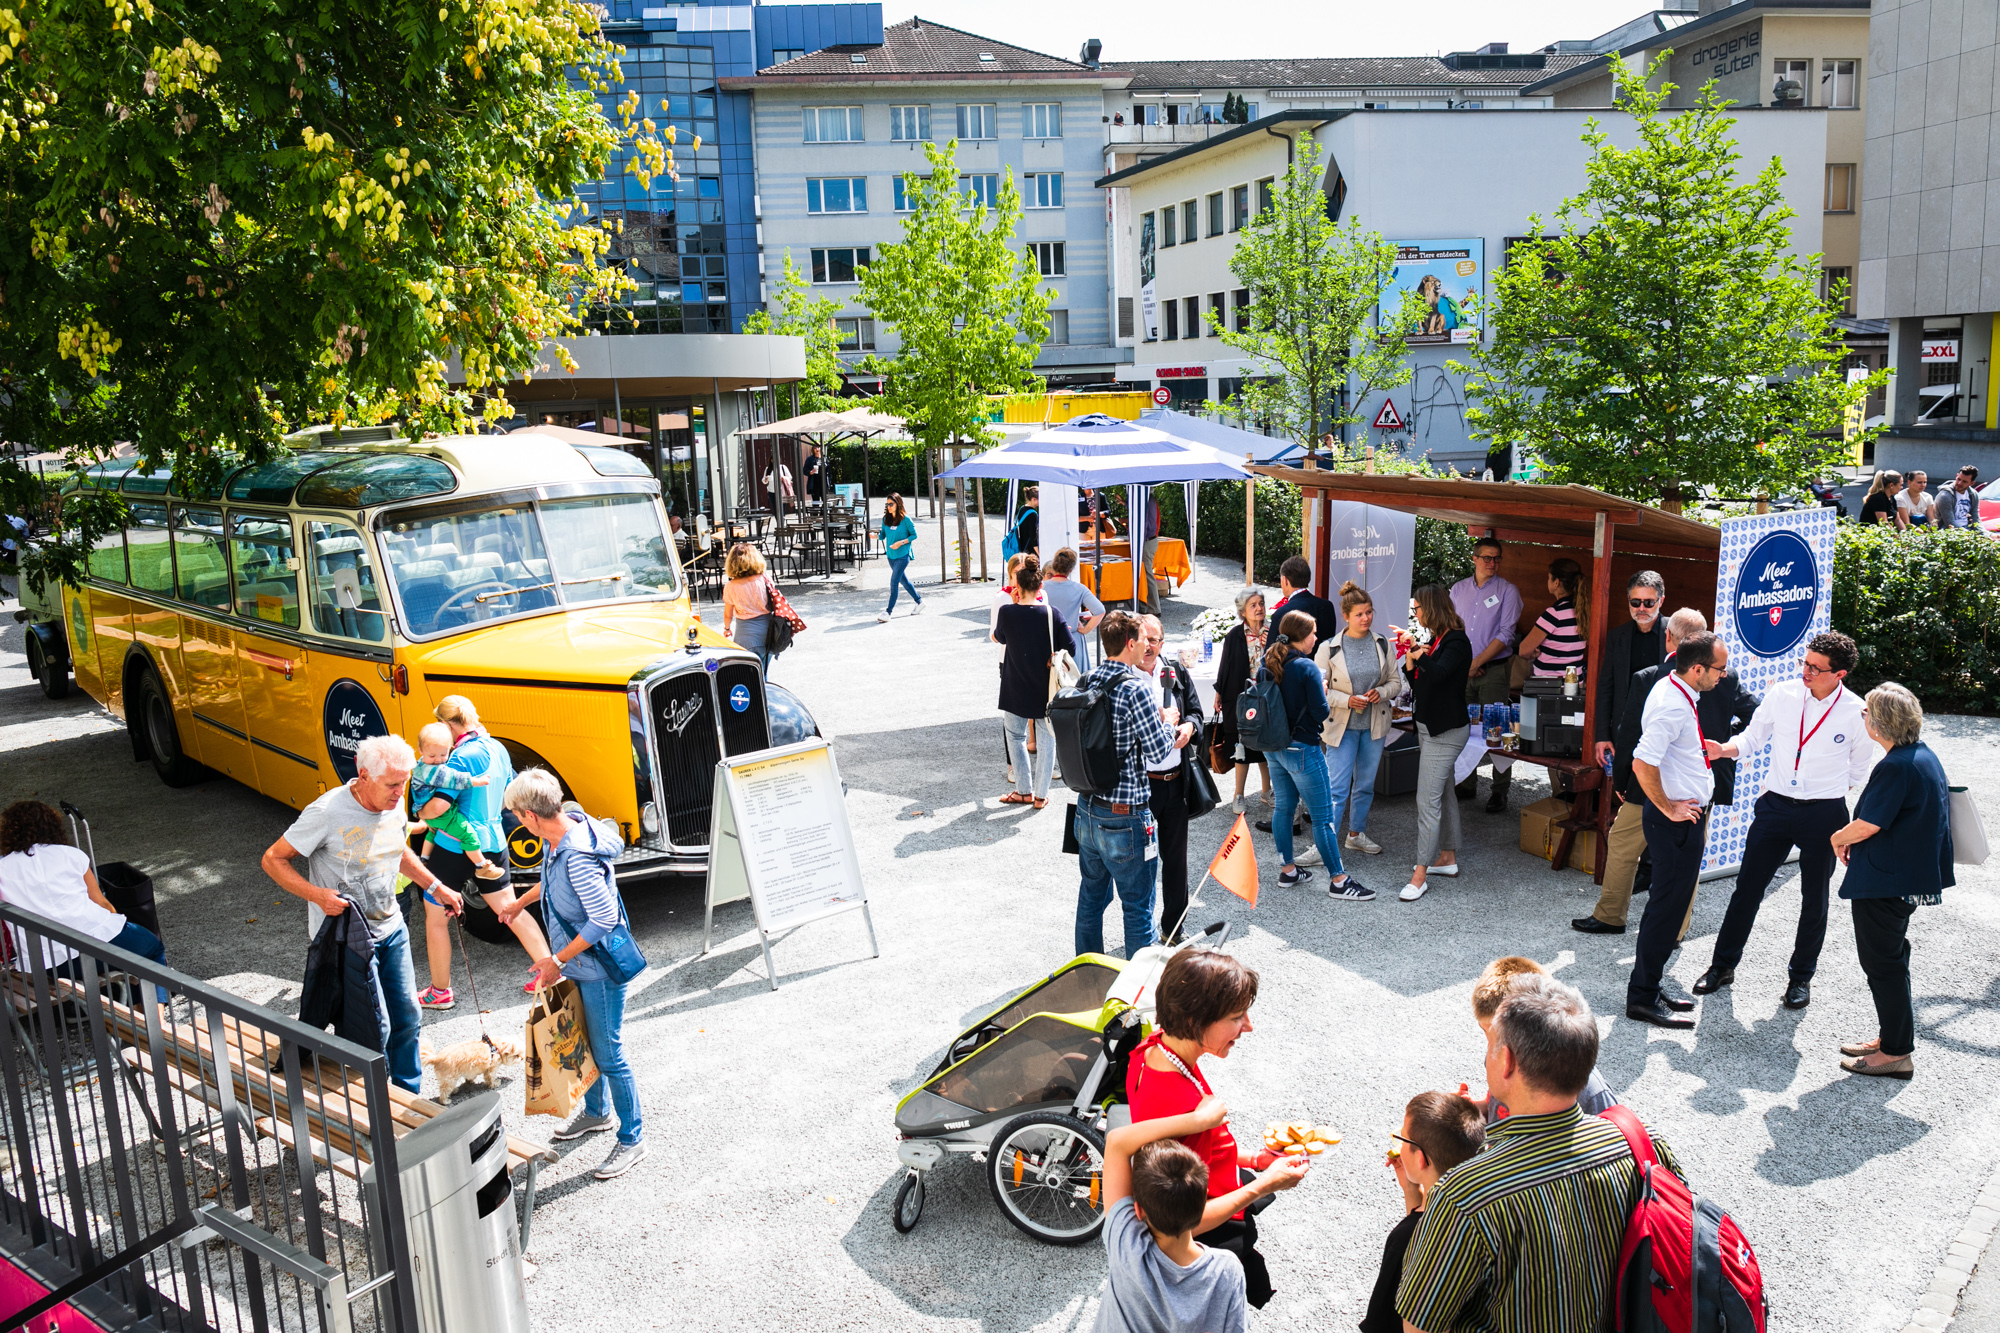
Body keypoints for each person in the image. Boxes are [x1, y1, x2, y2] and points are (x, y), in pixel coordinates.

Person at [1397, 976, 1683, 1333]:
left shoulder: (1465, 1194)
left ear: (1506, 1062)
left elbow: (1419, 1327)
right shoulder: (1644, 1144)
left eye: (1491, 1045)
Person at [261, 734, 465, 1094]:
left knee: (407, 1018)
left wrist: (435, 886)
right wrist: (317, 895)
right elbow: (272, 859)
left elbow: (397, 850)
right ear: (363, 774)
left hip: (391, 928)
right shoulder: (326, 813)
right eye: (392, 784)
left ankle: (408, 1097)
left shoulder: (393, 803)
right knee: (373, 1029)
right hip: (347, 939)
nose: (399, 792)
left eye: (404, 782)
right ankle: (376, 1109)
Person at [1694, 631, 1873, 1009]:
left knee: (1815, 900)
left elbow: (1858, 770)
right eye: (1804, 662)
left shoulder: (1856, 712)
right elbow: (1752, 738)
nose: (1805, 671)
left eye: (1815, 667)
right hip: (1775, 805)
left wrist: (1824, 790)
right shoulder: (1783, 694)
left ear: (1838, 674)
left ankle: (1800, 979)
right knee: (1747, 890)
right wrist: (1723, 749)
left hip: (1824, 814)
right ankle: (1722, 966)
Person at [1126, 950, 1311, 1309]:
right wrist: (1266, 1183)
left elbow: (1204, 1146)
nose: (1249, 1026)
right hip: (1212, 1234)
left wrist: (1257, 1159)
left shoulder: (1153, 1049)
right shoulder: (1181, 1103)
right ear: (1196, 1020)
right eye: (1236, 1016)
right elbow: (1180, 1227)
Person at [497, 768, 647, 1177]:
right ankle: (596, 1112)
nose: (515, 821)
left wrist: (556, 960)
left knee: (608, 1053)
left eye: (515, 815)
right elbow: (552, 881)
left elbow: (603, 917)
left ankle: (632, 1138)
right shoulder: (564, 829)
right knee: (586, 1041)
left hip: (596, 969)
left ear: (530, 815)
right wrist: (518, 904)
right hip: (580, 964)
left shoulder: (577, 854)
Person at [1575, 608, 1729, 936]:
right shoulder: (1724, 678)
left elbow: (1630, 734)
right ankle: (1673, 932)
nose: (1722, 674)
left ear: (1669, 638)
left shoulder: (1650, 678)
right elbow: (1752, 713)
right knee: (1684, 868)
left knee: (1624, 847)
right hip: (1689, 792)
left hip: (1655, 789)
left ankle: (1611, 915)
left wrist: (1622, 780)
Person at [1829, 682, 1952, 1079]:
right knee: (1893, 959)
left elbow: (1868, 824)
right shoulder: (1921, 756)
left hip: (1886, 881)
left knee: (1883, 964)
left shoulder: (1897, 765)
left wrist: (1838, 836)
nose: (1862, 716)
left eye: (1866, 712)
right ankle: (1891, 1037)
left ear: (1880, 723)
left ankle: (1897, 1052)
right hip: (1902, 877)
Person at [414, 697, 548, 1010]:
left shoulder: (458, 757)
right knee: (510, 909)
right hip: (493, 840)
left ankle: (440, 991)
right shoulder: (499, 748)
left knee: (435, 917)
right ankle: (549, 973)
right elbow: (510, 796)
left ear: (448, 726)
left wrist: (421, 811)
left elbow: (440, 807)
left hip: (452, 845)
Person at [1625, 631, 1729, 1028]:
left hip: (1683, 818)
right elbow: (1641, 762)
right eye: (1718, 669)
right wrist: (1667, 807)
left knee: (1667, 909)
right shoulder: (1672, 704)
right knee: (1665, 910)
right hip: (1676, 822)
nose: (1723, 675)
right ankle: (1641, 997)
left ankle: (1649, 986)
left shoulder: (1675, 686)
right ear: (1697, 668)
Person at [1074, 611, 1191, 958]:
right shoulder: (1135, 688)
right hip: (1125, 815)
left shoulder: (1087, 680)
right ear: (1129, 644)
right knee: (1138, 907)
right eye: (1142, 639)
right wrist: (1169, 722)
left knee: (1091, 900)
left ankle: (1085, 975)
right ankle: (1136, 997)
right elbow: (1157, 750)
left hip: (1087, 809)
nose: (1147, 645)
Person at [1096, 1096, 1248, 1333]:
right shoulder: (1226, 1271)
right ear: (1204, 1198)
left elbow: (1116, 1142)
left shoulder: (1126, 1244)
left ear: (1138, 1210)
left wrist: (1199, 1120)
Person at [0, 799, 171, 1005]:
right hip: (96, 944)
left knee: (135, 955)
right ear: (50, 826)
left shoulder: (3, 869)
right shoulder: (71, 855)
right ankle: (152, 1018)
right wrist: (120, 929)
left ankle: (138, 1016)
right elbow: (102, 903)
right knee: (152, 948)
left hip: (49, 963)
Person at [1263, 610, 1374, 901]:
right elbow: (1321, 714)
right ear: (1301, 636)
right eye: (1313, 632)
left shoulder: (1270, 663)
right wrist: (1323, 692)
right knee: (1324, 816)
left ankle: (1288, 870)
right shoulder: (1307, 668)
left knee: (1284, 809)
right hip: (1303, 749)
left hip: (1274, 748)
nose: (1316, 637)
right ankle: (1339, 880)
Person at [1361, 1092, 1484, 1333]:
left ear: (1420, 1159)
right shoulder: (1473, 1204)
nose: (1399, 1146)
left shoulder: (1405, 1237)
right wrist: (1411, 1191)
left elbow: (1384, 1320)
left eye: (1403, 1140)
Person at [1313, 581, 1404, 859]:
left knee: (1365, 785)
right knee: (1337, 789)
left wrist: (1381, 691)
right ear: (1346, 617)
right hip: (1342, 727)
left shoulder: (1381, 644)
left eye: (1369, 612)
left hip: (1374, 726)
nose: (1366, 619)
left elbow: (1395, 682)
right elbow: (1319, 691)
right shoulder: (1328, 648)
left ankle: (1356, 834)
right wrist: (1346, 700)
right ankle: (1324, 844)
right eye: (1359, 614)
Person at [1395, 584, 1471, 903]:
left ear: (1432, 607)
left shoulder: (1456, 641)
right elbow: (1421, 685)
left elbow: (1439, 675)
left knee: (1427, 800)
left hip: (1444, 732)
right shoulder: (1437, 639)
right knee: (1445, 793)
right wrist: (1412, 658)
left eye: (1419, 609)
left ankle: (1420, 874)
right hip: (1430, 727)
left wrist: (1418, 651)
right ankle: (1448, 858)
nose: (1417, 614)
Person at [1470, 957, 1618, 1119]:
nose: (1490, 1046)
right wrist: (1475, 1109)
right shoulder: (1498, 1054)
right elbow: (1498, 1105)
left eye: (1495, 1035)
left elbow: (1608, 1133)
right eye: (1484, 1032)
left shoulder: (1589, 1091)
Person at [992, 557, 1076, 810]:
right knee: (1047, 739)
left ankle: (1023, 790)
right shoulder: (1052, 614)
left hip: (1015, 684)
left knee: (1015, 737)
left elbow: (999, 637)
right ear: (1041, 588)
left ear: (1017, 586)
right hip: (1046, 687)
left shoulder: (1008, 612)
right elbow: (1069, 647)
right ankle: (1040, 795)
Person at [1141, 615, 1207, 941]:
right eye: (1145, 638)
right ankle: (1141, 933)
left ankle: (1173, 930)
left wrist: (1189, 727)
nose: (1150, 645)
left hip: (1176, 782)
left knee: (1176, 863)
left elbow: (1197, 711)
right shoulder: (1129, 679)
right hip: (1142, 787)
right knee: (1142, 864)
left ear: (1163, 643)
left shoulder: (1175, 671)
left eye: (1156, 639)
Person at [1449, 537, 1522, 813]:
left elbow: (1506, 633)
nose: (1493, 563)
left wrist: (1477, 661)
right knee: (1465, 729)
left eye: (1497, 558)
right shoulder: (1457, 590)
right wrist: (1465, 663)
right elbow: (1452, 629)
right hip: (1464, 671)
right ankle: (1466, 783)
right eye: (1487, 558)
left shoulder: (1508, 591)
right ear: (1475, 559)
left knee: (1497, 730)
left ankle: (1500, 791)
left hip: (1493, 671)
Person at [1592, 571, 1667, 771]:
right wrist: (1602, 736)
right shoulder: (1618, 637)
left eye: (1649, 603)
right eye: (1636, 602)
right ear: (1628, 600)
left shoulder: (1675, 635)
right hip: (1624, 730)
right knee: (1622, 788)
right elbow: (1606, 688)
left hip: (1663, 731)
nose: (1641, 608)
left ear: (1661, 601)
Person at [1212, 585, 1273, 814]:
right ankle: (1239, 794)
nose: (1259, 609)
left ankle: (1266, 792)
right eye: (1253, 605)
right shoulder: (1235, 635)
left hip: (1268, 697)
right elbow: (1225, 666)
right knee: (1242, 746)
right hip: (1242, 698)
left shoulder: (1273, 630)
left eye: (1261, 604)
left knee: (1267, 745)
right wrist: (1219, 692)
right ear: (1243, 612)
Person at [1511, 556, 1588, 685]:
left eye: (1548, 577)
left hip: (1550, 686)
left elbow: (1523, 650)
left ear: (1556, 582)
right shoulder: (1583, 612)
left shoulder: (1554, 614)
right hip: (1575, 684)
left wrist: (1534, 652)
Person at [1043, 547, 1105, 670]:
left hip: (1047, 638)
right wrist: (1086, 629)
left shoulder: (1042, 587)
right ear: (1071, 569)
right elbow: (1100, 610)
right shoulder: (1079, 588)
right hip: (1072, 638)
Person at [722, 542, 776, 670]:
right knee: (763, 673)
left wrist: (727, 628)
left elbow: (727, 614)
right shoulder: (764, 579)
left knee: (748, 676)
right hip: (768, 633)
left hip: (744, 636)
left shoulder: (731, 586)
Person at [1271, 555, 1340, 645]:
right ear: (1309, 578)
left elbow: (1271, 654)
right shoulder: (1327, 607)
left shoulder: (1281, 613)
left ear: (1285, 580)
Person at [878, 491, 922, 621]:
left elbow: (914, 535)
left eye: (891, 504)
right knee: (904, 581)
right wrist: (875, 536)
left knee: (894, 583)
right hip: (891, 556)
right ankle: (920, 602)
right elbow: (882, 535)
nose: (888, 507)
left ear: (898, 504)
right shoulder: (886, 519)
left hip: (903, 556)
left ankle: (888, 612)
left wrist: (901, 543)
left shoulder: (905, 519)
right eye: (887, 504)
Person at [1937, 465, 1981, 530]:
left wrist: (1988, 534)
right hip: (1949, 532)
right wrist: (1970, 535)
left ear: (1972, 483)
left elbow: (1975, 520)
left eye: (1964, 481)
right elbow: (1950, 523)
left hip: (1967, 531)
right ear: (1956, 476)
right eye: (1959, 479)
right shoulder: (1945, 495)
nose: (1960, 483)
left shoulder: (1973, 495)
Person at [1008, 486, 1041, 560]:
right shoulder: (1032, 514)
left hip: (1022, 547)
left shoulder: (1022, 509)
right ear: (1034, 499)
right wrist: (1039, 554)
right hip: (1030, 551)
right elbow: (1033, 536)